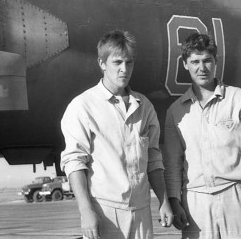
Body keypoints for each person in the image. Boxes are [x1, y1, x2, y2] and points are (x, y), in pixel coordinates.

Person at [60, 30, 173, 239]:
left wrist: (164, 202)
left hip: (142, 211)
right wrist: (86, 212)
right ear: (102, 63)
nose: (124, 69)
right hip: (105, 212)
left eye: (129, 63)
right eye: (117, 62)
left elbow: (154, 159)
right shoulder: (82, 106)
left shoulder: (144, 106)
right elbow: (74, 162)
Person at [162, 32, 241, 239]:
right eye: (194, 62)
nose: (201, 68)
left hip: (236, 193)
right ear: (185, 64)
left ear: (215, 62)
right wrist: (175, 201)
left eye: (207, 61)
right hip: (196, 200)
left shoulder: (238, 98)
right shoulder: (176, 111)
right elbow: (173, 161)